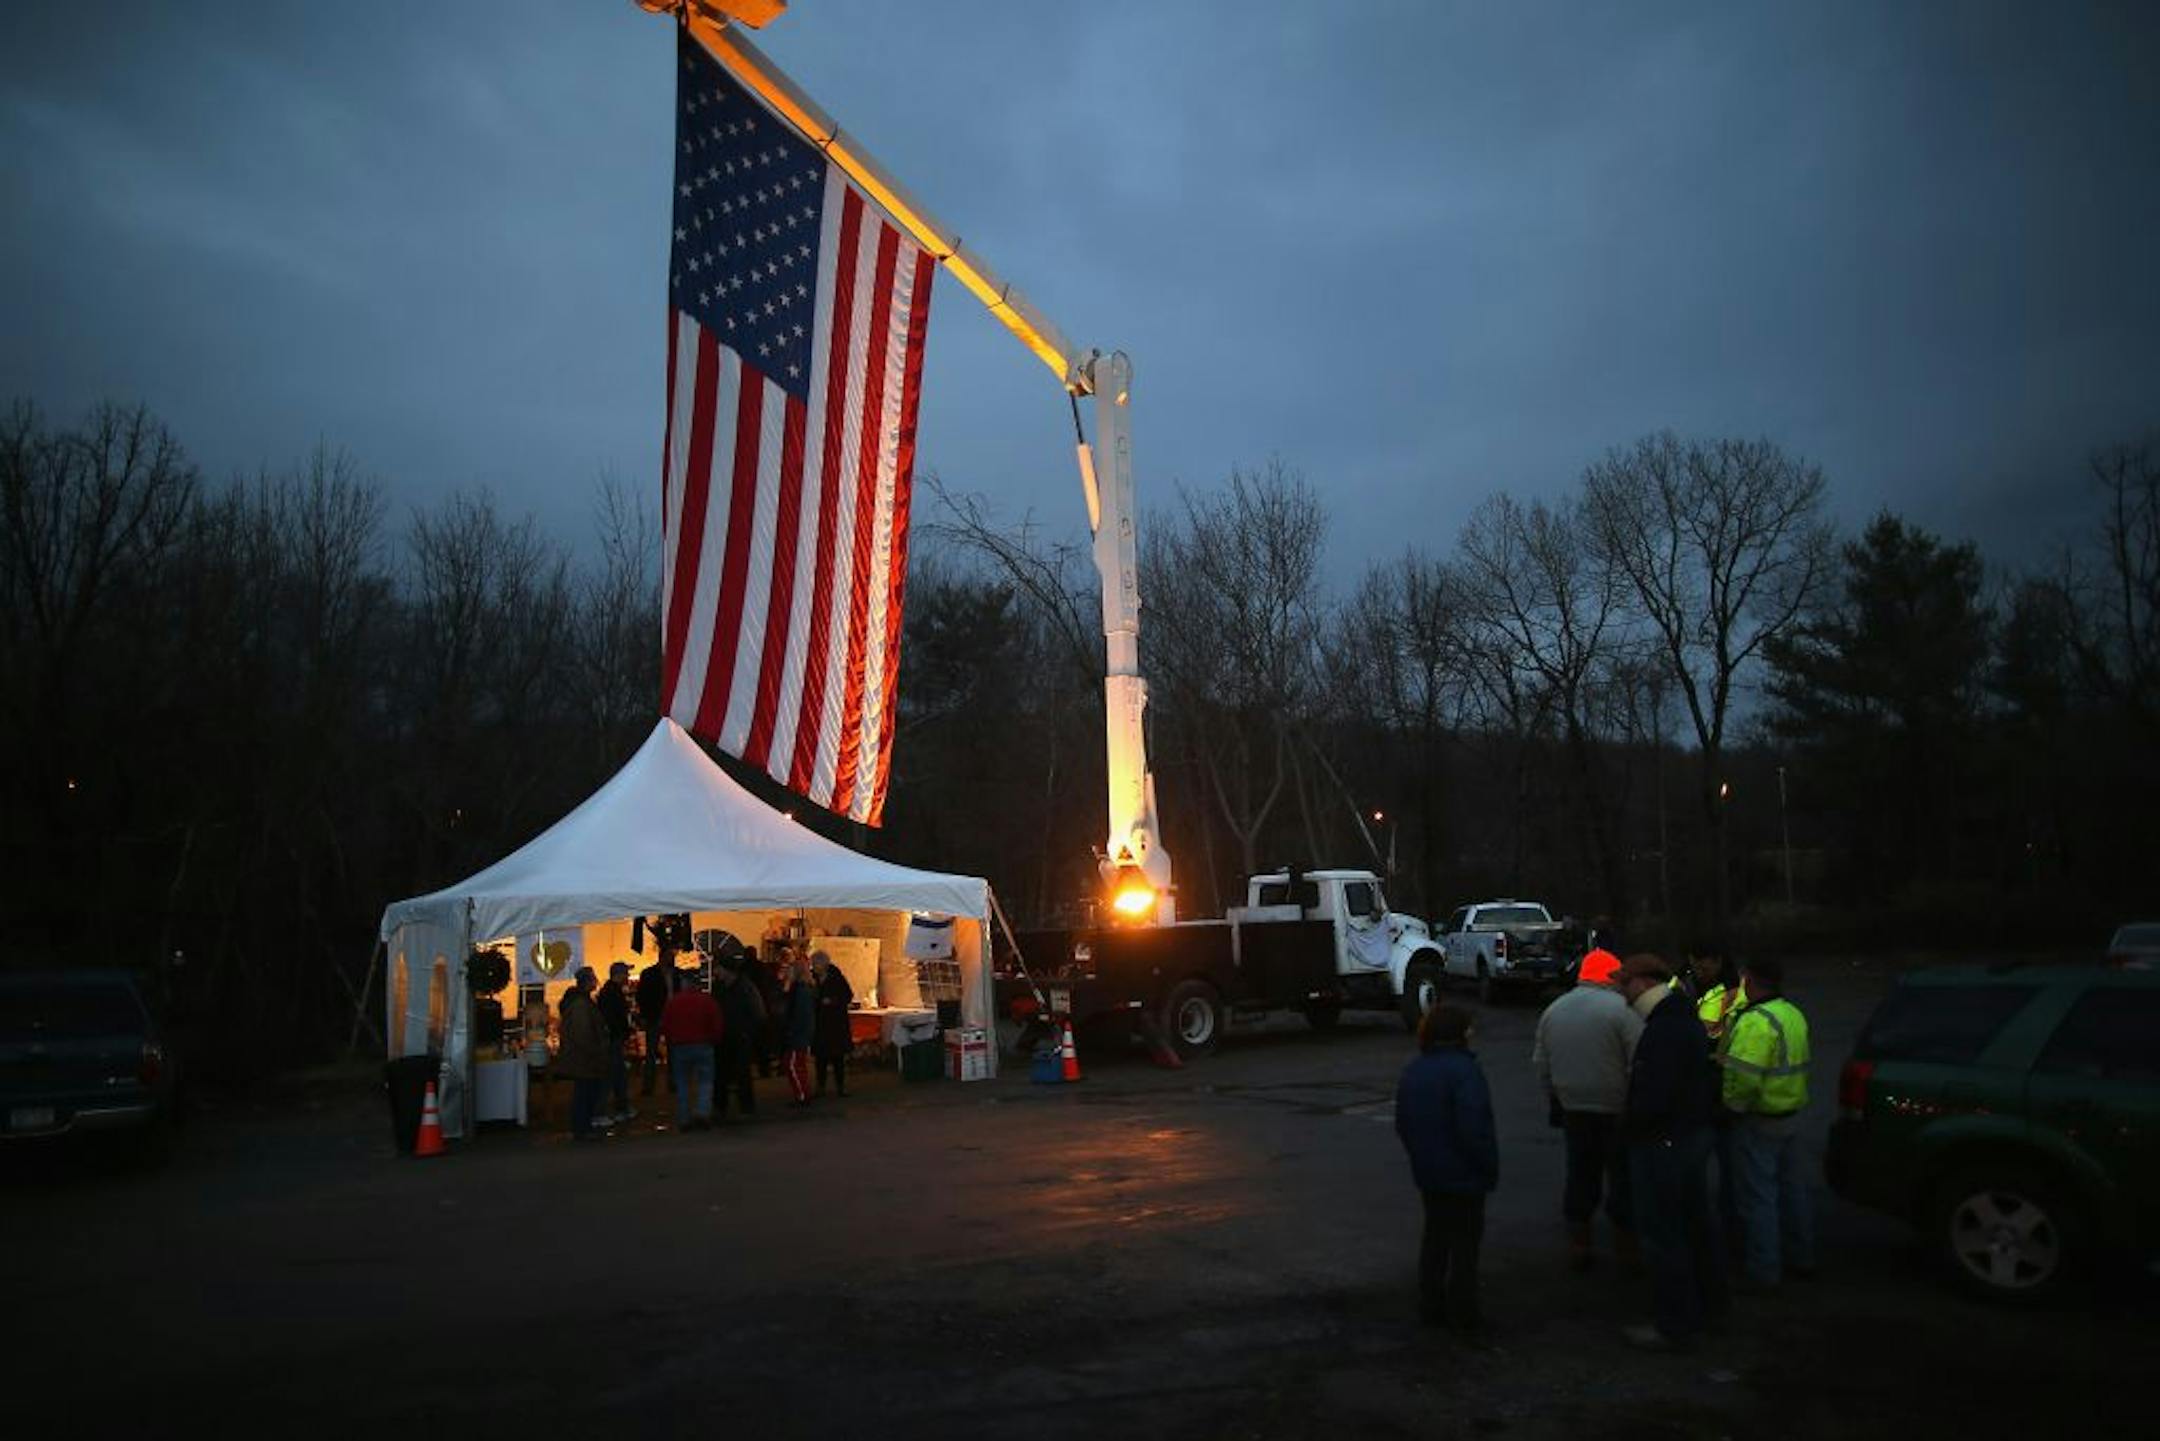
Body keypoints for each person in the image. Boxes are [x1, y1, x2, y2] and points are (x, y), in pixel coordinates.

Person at [1616, 953, 1728, 1351]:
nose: (1621, 992)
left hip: (1664, 1142)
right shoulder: (1681, 1018)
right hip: (1689, 1135)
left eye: (1625, 984)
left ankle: (1674, 1321)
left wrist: (1632, 1129)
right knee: (1696, 1222)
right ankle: (1710, 1306)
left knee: (1664, 1232)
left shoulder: (1663, 1028)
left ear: (1644, 983)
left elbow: (1654, 1094)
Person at [1532, 939, 1645, 1271]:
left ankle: (1580, 1244)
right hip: (1616, 1108)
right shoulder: (1623, 1011)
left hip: (1573, 1108)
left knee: (1581, 1176)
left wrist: (1553, 1098)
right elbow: (1638, 1059)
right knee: (1623, 1178)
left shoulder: (1554, 1011)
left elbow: (1541, 1063)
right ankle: (1627, 1249)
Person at [1393, 1002, 1498, 1341]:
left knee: (1436, 1237)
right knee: (1465, 1243)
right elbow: (1474, 1127)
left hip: (1429, 1171)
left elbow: (1404, 1123)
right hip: (1464, 1173)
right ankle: (1464, 1312)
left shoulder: (1414, 1070)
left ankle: (1432, 1305)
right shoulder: (1465, 1072)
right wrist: (1487, 1165)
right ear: (1459, 1033)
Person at [1719, 957, 1816, 1287]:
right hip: (1790, 1114)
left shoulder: (1756, 1023)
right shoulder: (1792, 1014)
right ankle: (1801, 1256)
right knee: (1792, 1192)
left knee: (1758, 1198)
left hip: (1758, 1120)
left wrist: (1729, 1109)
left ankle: (1763, 1271)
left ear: (1750, 979)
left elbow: (1744, 1080)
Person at [660, 973, 725, 1132]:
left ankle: (684, 1119)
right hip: (703, 1045)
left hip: (680, 1047)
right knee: (705, 1082)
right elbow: (717, 1024)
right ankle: (702, 1113)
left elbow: (666, 1025)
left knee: (682, 1084)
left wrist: (671, 1041)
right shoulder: (707, 1001)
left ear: (684, 984)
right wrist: (714, 1039)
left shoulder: (674, 1002)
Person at [555, 967, 611, 1142]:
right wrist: (596, 1051)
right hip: (585, 1058)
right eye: (593, 979)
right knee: (585, 1093)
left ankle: (583, 1126)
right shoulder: (581, 1005)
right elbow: (583, 1034)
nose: (595, 982)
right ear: (587, 982)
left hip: (583, 1057)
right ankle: (582, 1128)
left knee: (585, 1092)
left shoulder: (581, 1002)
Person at [712, 957, 766, 1119]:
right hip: (725, 1035)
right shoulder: (721, 987)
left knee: (741, 1073)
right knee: (722, 1073)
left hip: (740, 1036)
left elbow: (758, 1012)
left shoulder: (744, 987)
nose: (715, 972)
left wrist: (747, 1032)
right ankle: (722, 1106)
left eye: (717, 968)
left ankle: (745, 1106)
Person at [595, 961, 636, 1127]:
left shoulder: (610, 991)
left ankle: (622, 1108)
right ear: (618, 975)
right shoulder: (612, 993)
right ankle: (603, 1111)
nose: (628, 976)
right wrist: (623, 1031)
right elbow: (614, 1017)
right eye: (626, 973)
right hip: (613, 1039)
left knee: (618, 1075)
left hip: (614, 1038)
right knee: (612, 1075)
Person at [811, 949, 856, 1098]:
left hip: (836, 1023)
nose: (814, 966)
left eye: (816, 964)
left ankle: (840, 1087)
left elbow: (848, 995)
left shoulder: (836, 977)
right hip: (819, 1023)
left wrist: (833, 1000)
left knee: (838, 1058)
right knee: (820, 1058)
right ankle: (821, 1086)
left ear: (824, 964)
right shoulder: (812, 977)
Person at [635, 953, 674, 1098]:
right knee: (653, 1053)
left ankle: (658, 1084)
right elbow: (642, 995)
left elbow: (641, 996)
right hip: (656, 1016)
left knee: (659, 1053)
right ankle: (651, 1085)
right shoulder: (652, 974)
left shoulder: (668, 974)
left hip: (664, 1017)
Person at [781, 956, 816, 1106]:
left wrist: (793, 1031)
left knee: (792, 1064)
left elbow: (800, 1014)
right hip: (800, 1033)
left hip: (797, 1034)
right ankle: (803, 1092)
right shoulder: (804, 989)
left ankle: (802, 1094)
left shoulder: (800, 991)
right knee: (798, 1064)